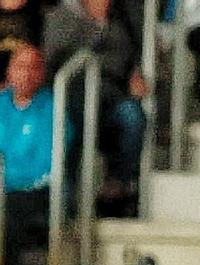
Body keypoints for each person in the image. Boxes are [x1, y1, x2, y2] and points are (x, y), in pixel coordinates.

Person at [41, 0, 147, 213]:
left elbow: (132, 53)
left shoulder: (123, 16)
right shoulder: (62, 15)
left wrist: (135, 73)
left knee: (132, 115)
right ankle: (64, 204)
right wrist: (96, 25)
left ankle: (116, 186)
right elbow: (53, 61)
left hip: (113, 95)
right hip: (73, 97)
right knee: (68, 128)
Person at [0, 44, 53, 265]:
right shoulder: (0, 105)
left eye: (34, 66)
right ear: (9, 71)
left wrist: (6, 180)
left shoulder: (53, 107)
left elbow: (47, 164)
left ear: (42, 73)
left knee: (7, 220)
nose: (27, 73)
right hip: (4, 191)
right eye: (20, 66)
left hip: (35, 192)